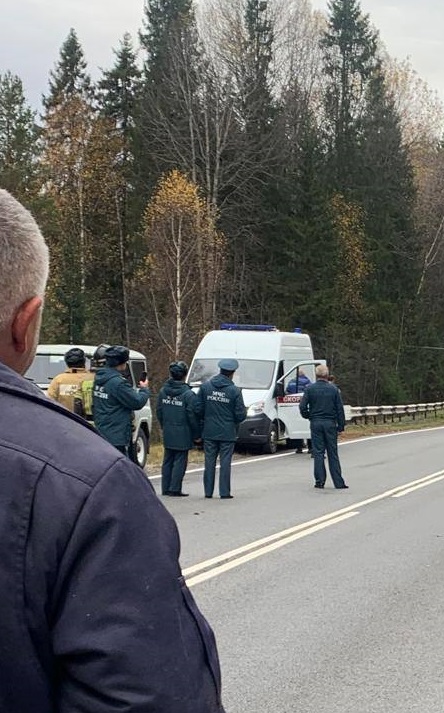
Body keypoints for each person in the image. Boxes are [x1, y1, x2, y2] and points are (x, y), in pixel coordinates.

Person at [0, 189, 225, 711]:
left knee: (169, 466)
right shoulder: (87, 487)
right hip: (100, 444)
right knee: (190, 464)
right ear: (26, 323)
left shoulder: (64, 384)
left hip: (80, 439)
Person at [93, 345, 150, 462]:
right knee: (119, 468)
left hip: (102, 431)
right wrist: (144, 389)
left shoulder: (99, 379)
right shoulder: (118, 383)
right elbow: (137, 402)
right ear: (122, 363)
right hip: (117, 435)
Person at [199, 358, 246, 499]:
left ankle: (208, 491)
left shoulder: (205, 387)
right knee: (225, 463)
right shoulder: (235, 391)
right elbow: (240, 415)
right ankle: (224, 492)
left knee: (209, 462)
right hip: (227, 432)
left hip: (209, 430)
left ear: (220, 370)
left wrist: (205, 419)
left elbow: (197, 408)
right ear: (232, 373)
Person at [299, 363, 348, 489]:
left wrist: (309, 416)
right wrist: (341, 425)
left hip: (316, 422)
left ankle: (319, 481)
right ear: (327, 375)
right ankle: (338, 482)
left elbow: (302, 407)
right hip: (330, 423)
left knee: (318, 452)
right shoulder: (333, 389)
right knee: (332, 453)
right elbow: (339, 409)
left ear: (316, 375)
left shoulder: (310, 389)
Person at [157, 360, 201, 497]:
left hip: (168, 429)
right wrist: (196, 434)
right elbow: (192, 416)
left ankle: (165, 487)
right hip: (183, 431)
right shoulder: (188, 394)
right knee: (180, 460)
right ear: (184, 375)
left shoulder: (163, 391)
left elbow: (159, 411)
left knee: (168, 459)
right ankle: (175, 488)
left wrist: (164, 425)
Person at [47, 346, 88, 414]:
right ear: (84, 361)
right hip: (87, 422)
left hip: (65, 420)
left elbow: (49, 401)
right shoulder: (92, 378)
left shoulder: (59, 380)